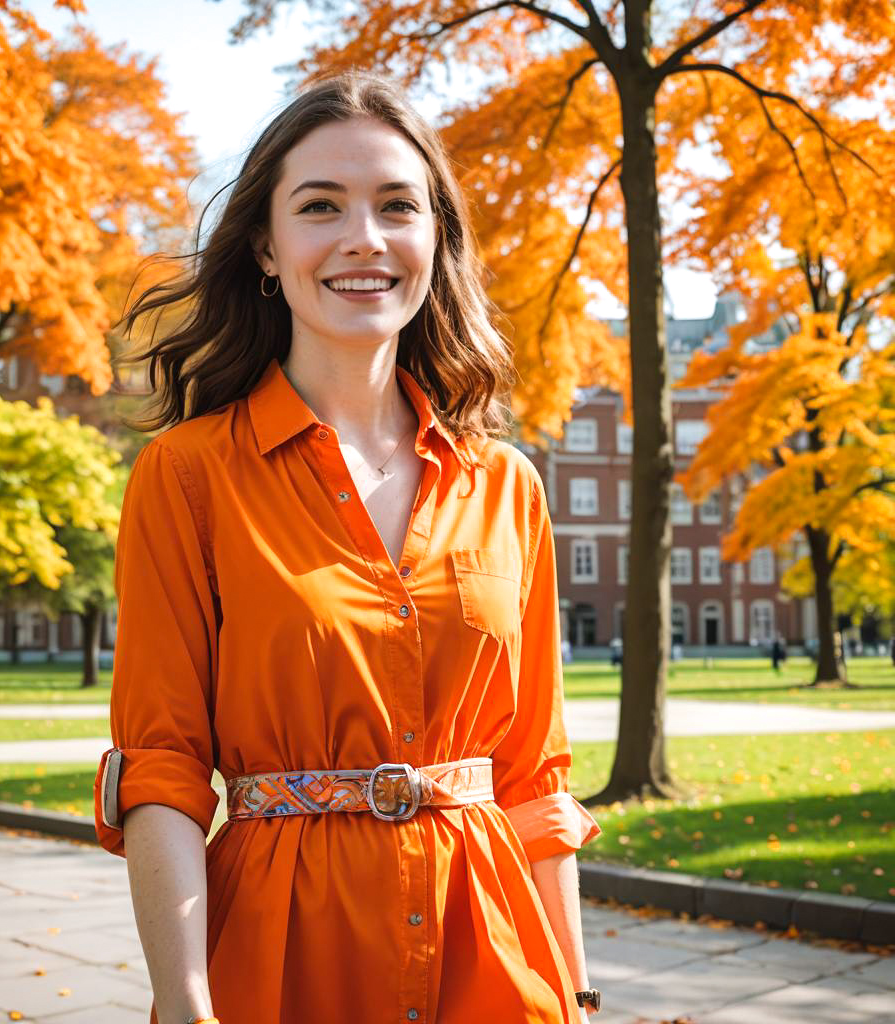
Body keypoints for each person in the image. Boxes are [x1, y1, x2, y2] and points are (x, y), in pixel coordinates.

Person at [93, 70, 602, 1024]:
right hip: (279, 957)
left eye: (397, 206)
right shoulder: (188, 474)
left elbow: (536, 776)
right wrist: (185, 998)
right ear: (267, 250)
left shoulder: (507, 484)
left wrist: (573, 991)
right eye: (320, 206)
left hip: (492, 955)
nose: (363, 237)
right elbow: (160, 764)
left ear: (434, 242)